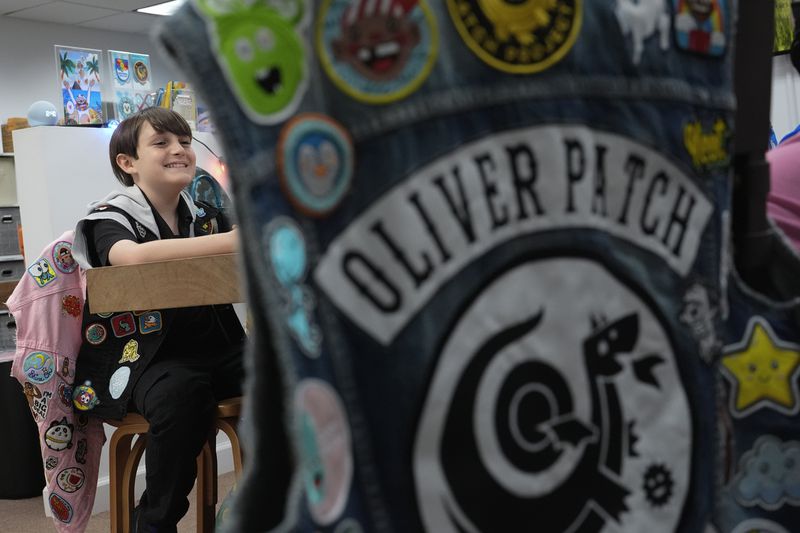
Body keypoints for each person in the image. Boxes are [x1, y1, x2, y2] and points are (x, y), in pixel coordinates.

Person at [70, 107, 245, 533]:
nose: (179, 150)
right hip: (145, 361)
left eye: (184, 142)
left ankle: (266, 502)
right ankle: (155, 523)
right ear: (127, 163)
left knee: (287, 377)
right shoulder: (108, 218)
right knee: (181, 397)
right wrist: (230, 241)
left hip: (219, 348)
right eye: (162, 143)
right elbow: (130, 257)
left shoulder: (206, 213)